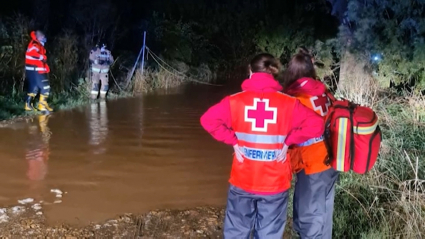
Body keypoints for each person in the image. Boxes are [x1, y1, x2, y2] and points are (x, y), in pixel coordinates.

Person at [200, 53, 325, 238]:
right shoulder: (289, 103)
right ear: (273, 73)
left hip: (243, 178)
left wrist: (233, 141)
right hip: (274, 183)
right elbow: (317, 125)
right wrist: (288, 141)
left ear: (250, 71)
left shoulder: (234, 101)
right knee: (269, 234)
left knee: (236, 232)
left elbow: (207, 120)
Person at [283, 51, 339, 239]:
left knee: (309, 217)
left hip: (311, 164)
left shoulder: (295, 98)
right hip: (331, 159)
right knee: (324, 211)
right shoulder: (323, 91)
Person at [25, 30, 53, 113]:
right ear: (39, 37)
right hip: (35, 69)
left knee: (34, 88)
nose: (44, 38)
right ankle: (42, 105)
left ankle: (28, 105)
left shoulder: (38, 44)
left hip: (34, 70)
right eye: (43, 37)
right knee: (45, 87)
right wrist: (42, 57)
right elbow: (33, 53)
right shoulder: (35, 44)